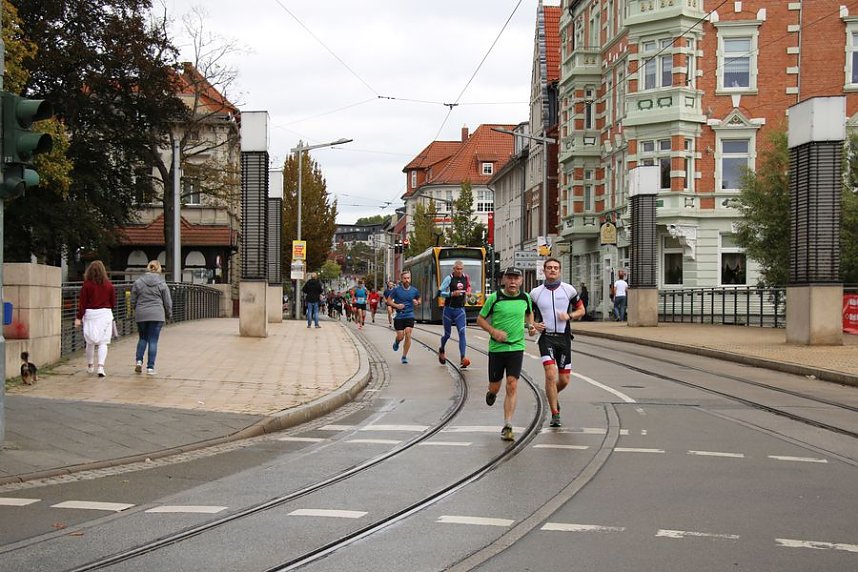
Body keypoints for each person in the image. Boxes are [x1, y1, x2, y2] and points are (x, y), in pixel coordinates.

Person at [477, 267, 535, 442]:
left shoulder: (525, 298)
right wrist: (493, 331)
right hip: (497, 348)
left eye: (516, 278)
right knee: (495, 386)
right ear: (503, 280)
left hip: (516, 347)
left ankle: (508, 425)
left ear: (521, 281)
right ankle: (491, 393)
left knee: (512, 384)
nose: (512, 282)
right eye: (509, 278)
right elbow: (480, 319)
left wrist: (530, 326)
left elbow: (529, 313)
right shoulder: (495, 298)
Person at [530, 258, 586, 427]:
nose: (552, 270)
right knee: (549, 373)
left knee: (564, 380)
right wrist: (532, 325)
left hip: (564, 337)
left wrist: (569, 316)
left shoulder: (568, 290)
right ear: (544, 271)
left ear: (559, 271)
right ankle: (555, 414)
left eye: (555, 268)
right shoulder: (535, 293)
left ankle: (552, 395)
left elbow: (582, 310)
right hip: (546, 337)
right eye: (549, 268)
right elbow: (529, 312)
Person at [75, 260, 116, 378]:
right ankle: (101, 367)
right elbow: (113, 302)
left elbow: (82, 303)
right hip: (105, 314)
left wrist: (79, 317)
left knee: (90, 342)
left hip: (90, 315)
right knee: (103, 342)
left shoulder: (86, 285)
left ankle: (90, 365)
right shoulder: (109, 285)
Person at [131, 260, 173, 375]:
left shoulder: (138, 282)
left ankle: (139, 361)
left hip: (142, 313)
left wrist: (136, 309)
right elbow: (167, 301)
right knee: (153, 341)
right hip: (157, 315)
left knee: (142, 338)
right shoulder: (162, 283)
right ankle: (150, 368)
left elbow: (133, 300)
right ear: (159, 269)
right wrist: (169, 314)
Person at [437, 260, 471, 368]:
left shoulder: (466, 277)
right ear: (454, 269)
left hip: (460, 310)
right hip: (448, 310)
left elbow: (468, 286)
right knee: (447, 334)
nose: (459, 271)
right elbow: (439, 293)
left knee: (462, 332)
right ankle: (442, 348)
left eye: (461, 269)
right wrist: (451, 293)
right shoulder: (449, 278)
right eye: (457, 269)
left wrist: (469, 292)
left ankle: (462, 358)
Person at [386, 270, 421, 364]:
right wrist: (397, 306)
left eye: (408, 278)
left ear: (410, 279)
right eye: (405, 278)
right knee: (400, 336)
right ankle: (397, 342)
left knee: (408, 334)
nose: (407, 280)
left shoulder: (414, 290)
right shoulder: (396, 290)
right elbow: (388, 301)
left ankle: (404, 356)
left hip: (409, 315)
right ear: (402, 279)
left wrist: (417, 302)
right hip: (399, 316)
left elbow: (419, 299)